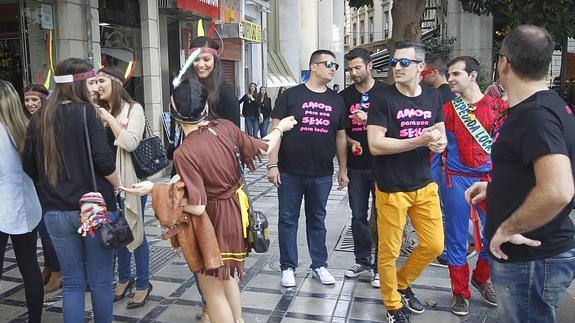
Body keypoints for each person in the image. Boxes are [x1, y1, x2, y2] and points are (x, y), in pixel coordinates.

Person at [122, 78, 297, 323]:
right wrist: (280, 128)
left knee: (213, 293)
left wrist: (155, 189)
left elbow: (197, 205)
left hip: (213, 222)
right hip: (236, 212)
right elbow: (265, 147)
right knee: (229, 278)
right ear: (205, 108)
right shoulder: (224, 126)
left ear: (174, 113)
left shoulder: (185, 152)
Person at [465, 25, 575, 323]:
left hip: (532, 259)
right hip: (535, 256)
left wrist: (508, 228)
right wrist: (497, 189)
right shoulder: (550, 106)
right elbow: (535, 172)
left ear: (504, 63)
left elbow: (558, 189)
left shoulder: (535, 115)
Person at [23, 58, 121, 323]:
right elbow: (103, 160)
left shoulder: (40, 116)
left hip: (54, 212)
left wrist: (48, 187)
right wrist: (118, 184)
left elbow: (28, 164)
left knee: (73, 283)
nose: (94, 88)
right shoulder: (86, 112)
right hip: (92, 209)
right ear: (77, 85)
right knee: (100, 281)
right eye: (90, 82)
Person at [367, 41, 446, 323]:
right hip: (391, 188)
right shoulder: (383, 98)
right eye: (394, 63)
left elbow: (440, 132)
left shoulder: (434, 97)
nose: (397, 68)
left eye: (404, 63)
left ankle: (401, 283)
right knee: (389, 251)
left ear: (420, 68)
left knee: (435, 245)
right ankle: (392, 305)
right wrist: (419, 141)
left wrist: (439, 142)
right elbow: (375, 144)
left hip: (424, 184)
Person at [268, 49, 349, 288]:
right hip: (289, 171)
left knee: (317, 219)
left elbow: (341, 136)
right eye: (328, 64)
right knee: (287, 219)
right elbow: (276, 131)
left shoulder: (337, 100)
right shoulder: (291, 96)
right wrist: (272, 164)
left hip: (322, 173)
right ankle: (288, 266)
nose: (333, 69)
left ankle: (319, 265)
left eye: (335, 65)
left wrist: (343, 170)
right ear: (313, 66)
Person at [441, 56, 506, 315]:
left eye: (455, 74)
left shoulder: (498, 107)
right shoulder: (447, 109)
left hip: (490, 179)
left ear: (473, 76)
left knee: (495, 233)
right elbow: (438, 150)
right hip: (455, 179)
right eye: (448, 74)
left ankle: (481, 277)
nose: (450, 78)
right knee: (456, 237)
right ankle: (459, 292)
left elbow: (506, 149)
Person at [94, 67, 151, 308]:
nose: (97, 85)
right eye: (94, 81)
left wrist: (109, 119)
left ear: (115, 83)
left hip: (130, 183)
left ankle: (143, 284)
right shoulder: (95, 111)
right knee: (118, 234)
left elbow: (129, 142)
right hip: (106, 185)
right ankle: (124, 279)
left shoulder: (133, 109)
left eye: (101, 80)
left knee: (135, 231)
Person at [340, 47, 386, 288]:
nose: (353, 73)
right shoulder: (345, 96)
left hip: (382, 167)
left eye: (357, 68)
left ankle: (380, 266)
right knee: (357, 216)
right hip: (357, 167)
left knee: (381, 218)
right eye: (350, 69)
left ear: (370, 66)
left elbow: (394, 129)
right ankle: (362, 260)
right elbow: (340, 133)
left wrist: (370, 123)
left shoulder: (386, 93)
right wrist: (351, 141)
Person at [0, 79, 44, 323]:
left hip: (4, 206)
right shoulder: (25, 128)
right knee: (29, 267)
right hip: (28, 205)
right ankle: (35, 320)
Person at [23, 83, 63, 292]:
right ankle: (50, 266)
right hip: (41, 184)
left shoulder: (47, 122)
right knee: (44, 229)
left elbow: (29, 160)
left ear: (44, 100)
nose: (30, 104)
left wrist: (39, 178)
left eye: (34, 100)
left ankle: (57, 270)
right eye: (27, 100)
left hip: (48, 185)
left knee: (47, 231)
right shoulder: (34, 121)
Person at [185, 36, 240, 127]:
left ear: (215, 60)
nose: (201, 65)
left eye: (206, 59)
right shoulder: (186, 89)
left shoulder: (226, 93)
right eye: (196, 59)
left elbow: (234, 135)